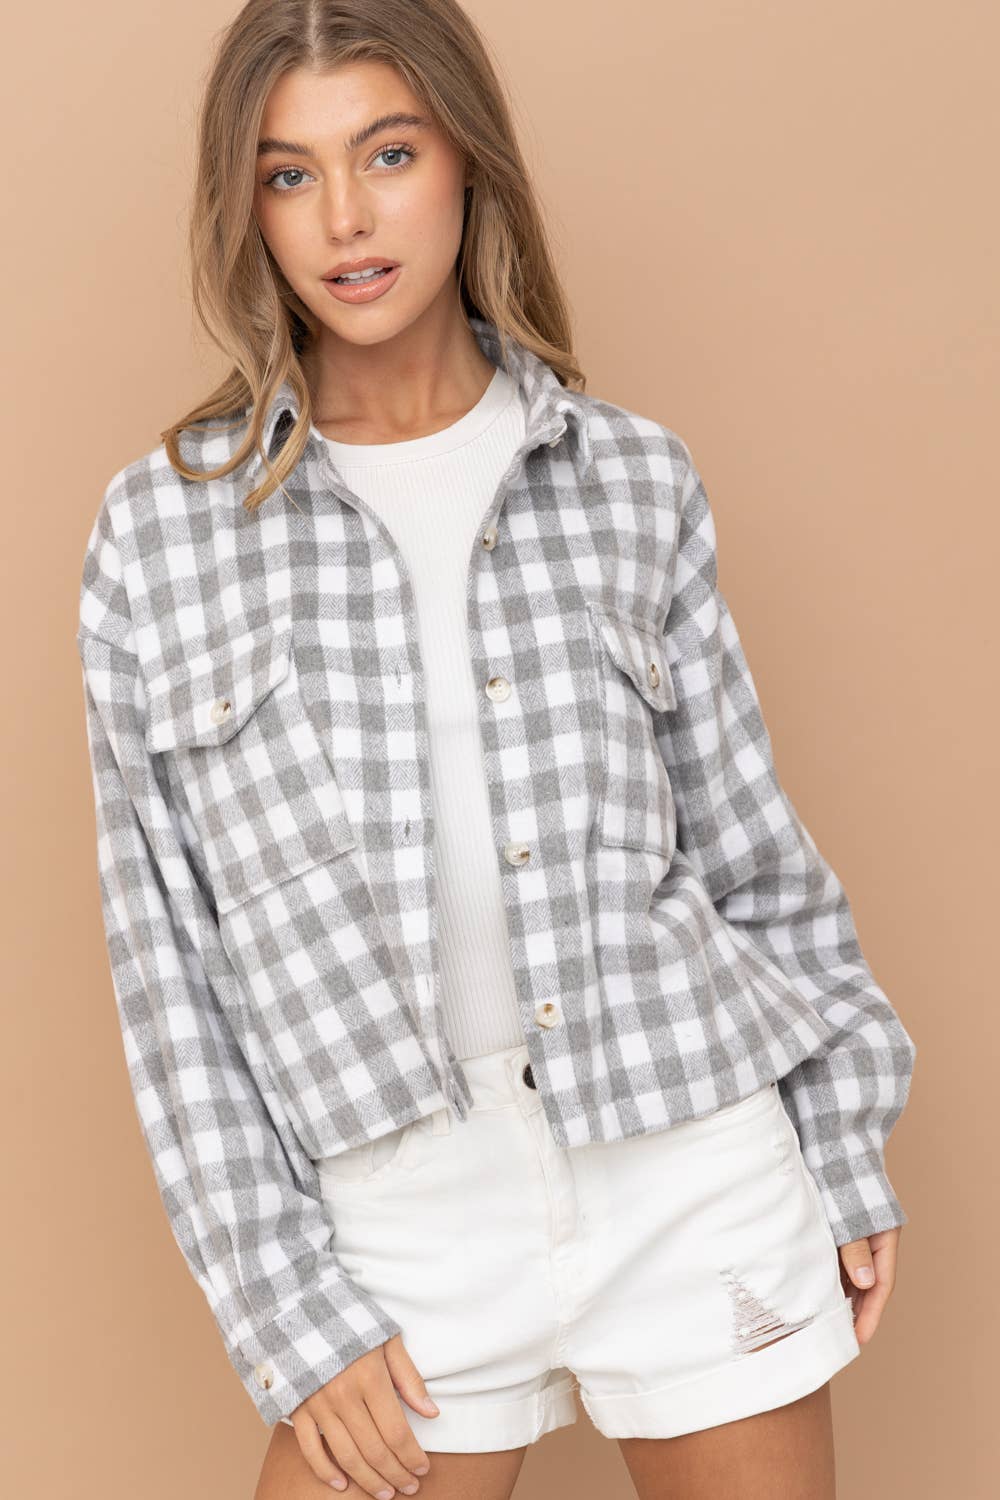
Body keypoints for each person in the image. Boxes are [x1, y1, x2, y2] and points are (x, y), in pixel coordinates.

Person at [74, 2, 916, 1497]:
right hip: (397, 1210)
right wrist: (282, 1306)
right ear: (246, 211)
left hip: (684, 1150)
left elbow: (754, 862)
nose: (345, 218)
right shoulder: (162, 534)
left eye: (389, 153)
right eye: (288, 174)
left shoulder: (630, 479)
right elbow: (170, 978)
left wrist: (842, 1140)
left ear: (469, 160)